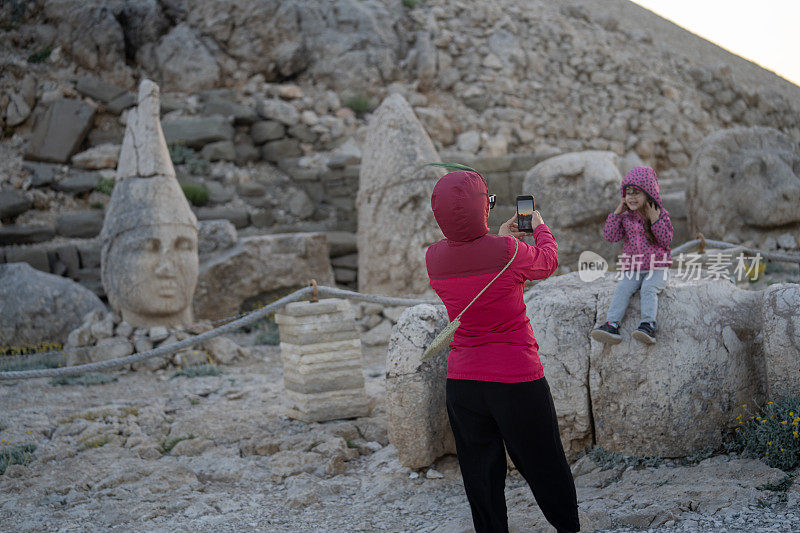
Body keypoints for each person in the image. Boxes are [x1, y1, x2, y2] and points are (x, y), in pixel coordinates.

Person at [425, 168, 580, 533]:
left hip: (462, 383)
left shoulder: (433, 259)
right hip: (515, 379)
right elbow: (547, 262)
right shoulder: (509, 250)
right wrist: (538, 226)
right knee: (544, 465)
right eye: (488, 202)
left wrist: (495, 238)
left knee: (480, 477)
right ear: (481, 208)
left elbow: (472, 259)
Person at [591, 166, 673, 345]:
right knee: (622, 288)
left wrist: (655, 219)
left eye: (637, 193)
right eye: (628, 193)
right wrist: (617, 213)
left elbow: (666, 239)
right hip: (634, 267)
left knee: (649, 288)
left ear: (648, 193)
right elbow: (610, 236)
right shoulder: (625, 217)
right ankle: (612, 325)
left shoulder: (660, 214)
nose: (632, 197)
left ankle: (648, 325)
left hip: (657, 268)